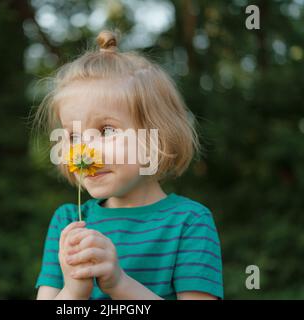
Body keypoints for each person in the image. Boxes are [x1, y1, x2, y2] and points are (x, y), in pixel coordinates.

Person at [34, 30, 223, 300]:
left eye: (107, 130)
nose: (84, 151)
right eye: (73, 136)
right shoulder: (69, 222)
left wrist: (119, 283)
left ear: (155, 139)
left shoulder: (189, 222)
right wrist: (75, 289)